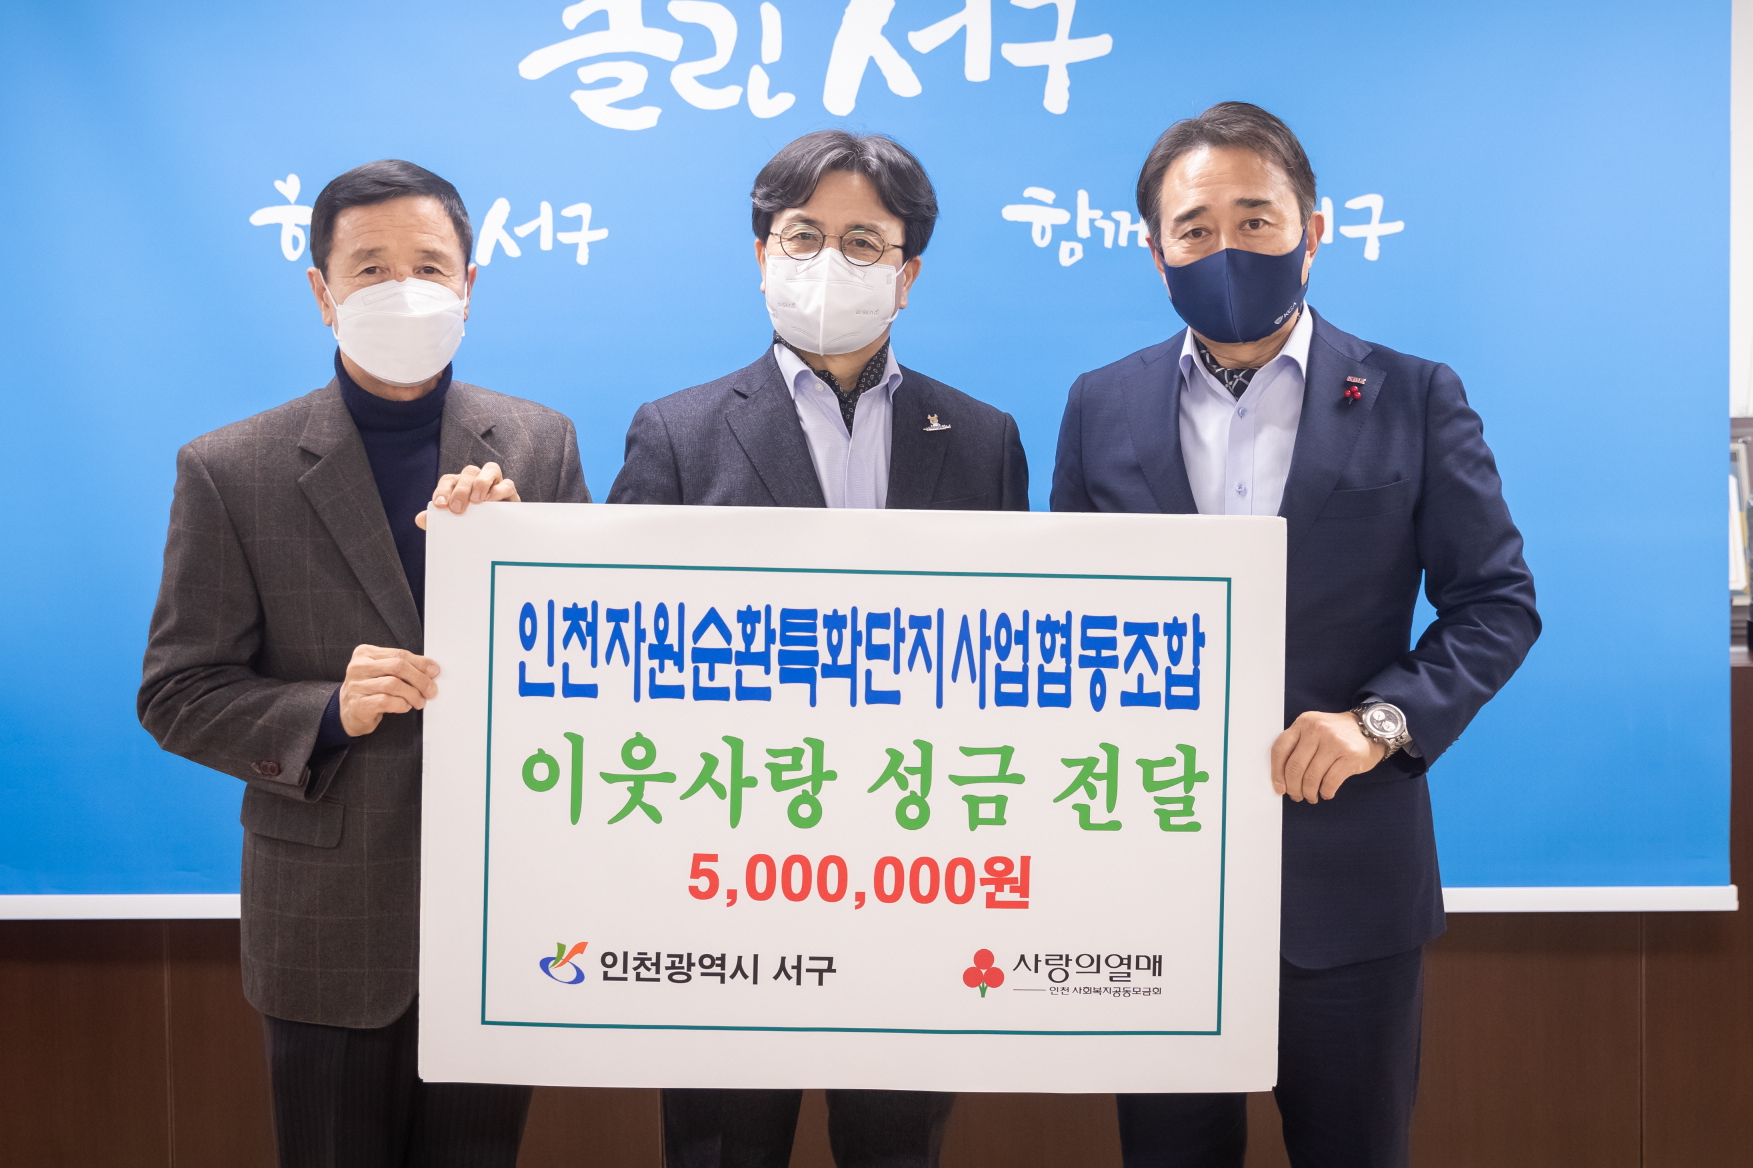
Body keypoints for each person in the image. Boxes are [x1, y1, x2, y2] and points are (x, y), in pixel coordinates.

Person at [1051, 103, 1539, 1168]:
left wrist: (1379, 721)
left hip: (1348, 878)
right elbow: (1066, 623)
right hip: (1155, 881)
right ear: (1155, 251)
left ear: (1312, 230)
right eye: (1193, 228)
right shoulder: (1100, 404)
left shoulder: (1412, 394)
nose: (1224, 247)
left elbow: (1496, 601)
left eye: (1255, 219)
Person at [139, 159, 589, 1168]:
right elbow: (176, 692)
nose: (403, 289)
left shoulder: (538, 443)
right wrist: (325, 709)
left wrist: (526, 560)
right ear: (322, 291)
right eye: (371, 268)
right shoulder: (230, 467)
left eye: (428, 265)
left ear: (470, 283)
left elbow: (587, 670)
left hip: (497, 910)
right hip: (327, 921)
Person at [606, 129, 1027, 1168]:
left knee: (894, 1145)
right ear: (762, 254)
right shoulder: (676, 432)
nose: (828, 261)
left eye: (862, 241)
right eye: (803, 236)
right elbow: (619, 660)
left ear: (906, 273)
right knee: (722, 1145)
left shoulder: (983, 439)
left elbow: (1011, 664)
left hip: (915, 870)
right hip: (726, 874)